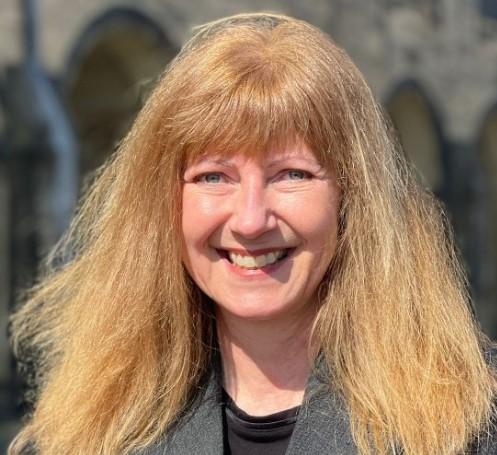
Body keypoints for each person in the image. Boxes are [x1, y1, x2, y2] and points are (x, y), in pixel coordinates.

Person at [8, 12, 497, 455]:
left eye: (292, 175)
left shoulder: (474, 420)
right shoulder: (79, 435)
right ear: (163, 204)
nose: (249, 220)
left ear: (354, 199)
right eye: (213, 177)